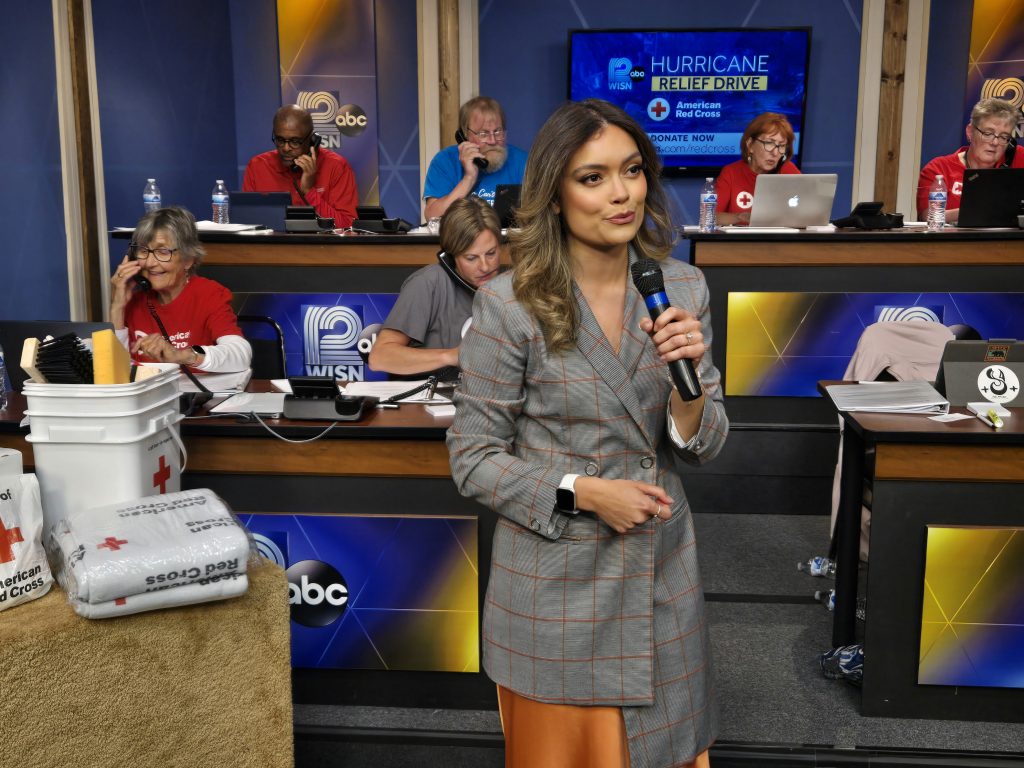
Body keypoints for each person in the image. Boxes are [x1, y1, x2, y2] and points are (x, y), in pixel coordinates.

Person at [447, 99, 728, 768]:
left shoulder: (682, 288)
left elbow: (708, 438)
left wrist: (687, 384)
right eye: (593, 177)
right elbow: (473, 458)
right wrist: (583, 492)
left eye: (631, 171)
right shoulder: (508, 305)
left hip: (658, 579)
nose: (621, 193)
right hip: (557, 594)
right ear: (555, 194)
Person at [110, 207, 252, 387]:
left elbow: (241, 353)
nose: (151, 263)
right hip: (148, 404)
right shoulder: (133, 300)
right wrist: (117, 307)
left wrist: (182, 355)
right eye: (144, 251)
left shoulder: (208, 294)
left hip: (198, 402)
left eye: (163, 252)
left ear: (188, 260)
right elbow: (114, 374)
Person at [368, 197, 501, 377]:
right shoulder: (427, 284)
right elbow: (380, 357)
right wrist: (452, 356)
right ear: (452, 256)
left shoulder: (514, 285)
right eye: (471, 258)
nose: (485, 266)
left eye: (491, 253)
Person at [242, 104, 358, 228]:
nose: (286, 148)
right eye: (280, 140)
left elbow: (348, 226)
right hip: (271, 246)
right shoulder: (257, 166)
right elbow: (247, 221)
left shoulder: (337, 167)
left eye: (295, 141)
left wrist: (309, 191)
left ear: (312, 140)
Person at [916, 97, 1024, 223]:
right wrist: (982, 209)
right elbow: (928, 216)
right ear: (970, 132)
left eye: (1003, 137)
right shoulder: (939, 168)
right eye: (988, 133)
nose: (995, 142)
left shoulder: (1018, 157)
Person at [423, 96, 528, 220]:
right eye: (483, 133)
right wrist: (469, 178)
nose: (492, 140)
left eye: (498, 131)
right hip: (461, 238)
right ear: (464, 135)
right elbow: (432, 216)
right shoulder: (444, 162)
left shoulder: (523, 162)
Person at [715, 112, 801, 225]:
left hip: (779, 241)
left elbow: (808, 209)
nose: (775, 152)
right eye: (769, 143)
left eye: (781, 145)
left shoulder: (788, 170)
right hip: (741, 241)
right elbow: (712, 217)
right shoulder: (731, 172)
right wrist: (741, 217)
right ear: (750, 145)